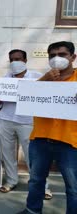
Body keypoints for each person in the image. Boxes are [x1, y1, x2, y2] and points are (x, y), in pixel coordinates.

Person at [18, 41, 77, 214]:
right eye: (52, 55)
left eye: (62, 54)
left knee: (73, 187)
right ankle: (32, 210)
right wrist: (46, 79)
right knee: (36, 180)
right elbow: (28, 96)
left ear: (73, 57)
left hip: (70, 142)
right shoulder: (44, 79)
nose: (56, 58)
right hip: (40, 139)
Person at [0, 49, 52, 200]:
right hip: (6, 118)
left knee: (33, 156)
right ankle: (11, 181)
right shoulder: (5, 78)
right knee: (7, 153)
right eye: (12, 59)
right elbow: (1, 98)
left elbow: (44, 95)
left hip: (28, 121)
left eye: (18, 59)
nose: (15, 62)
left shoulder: (36, 77)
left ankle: (43, 187)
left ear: (25, 60)